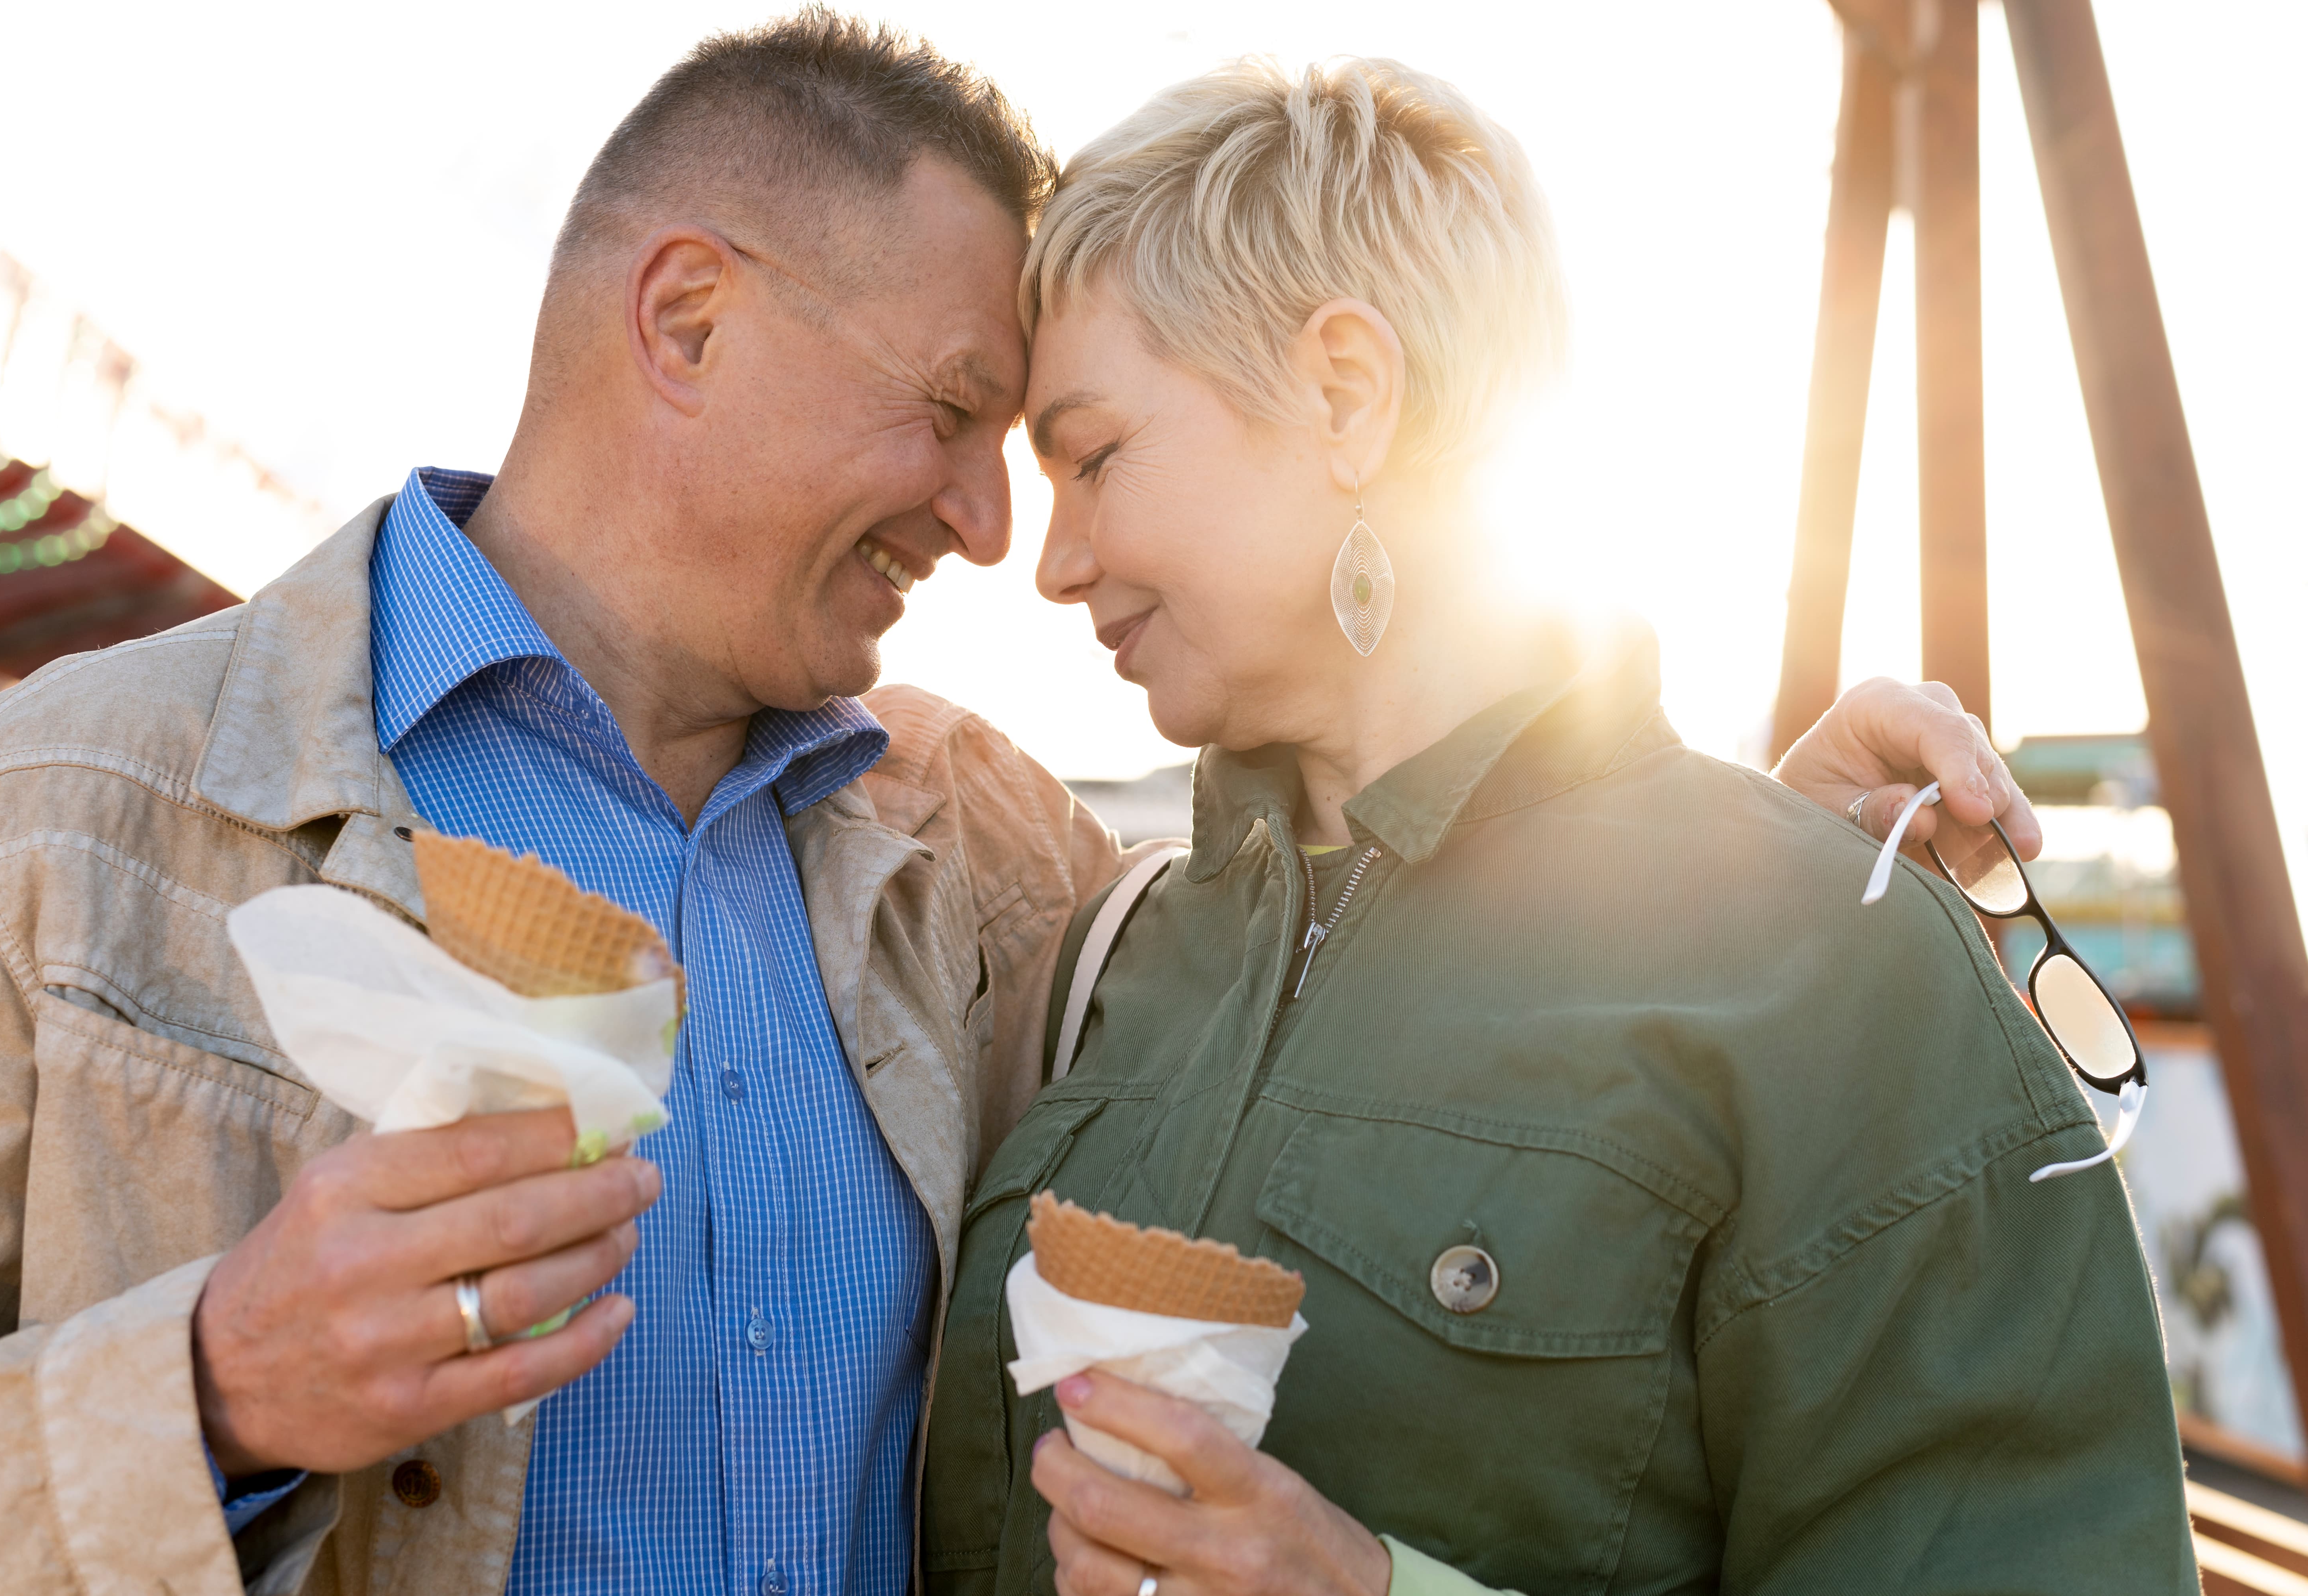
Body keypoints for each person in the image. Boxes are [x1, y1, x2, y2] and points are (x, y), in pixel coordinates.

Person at [0, 12, 2045, 1595]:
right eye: (953, 413)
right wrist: (206, 1384)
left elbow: (1365, 1008)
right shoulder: (37, 817)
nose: (989, 518)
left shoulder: (989, 851)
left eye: (1050, 442)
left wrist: (1711, 856)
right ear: (685, 313)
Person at [919, 56, 2193, 1596]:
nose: (1050, 561)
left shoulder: (1835, 965)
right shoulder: (1104, 966)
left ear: (1344, 392)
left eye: (1096, 454)